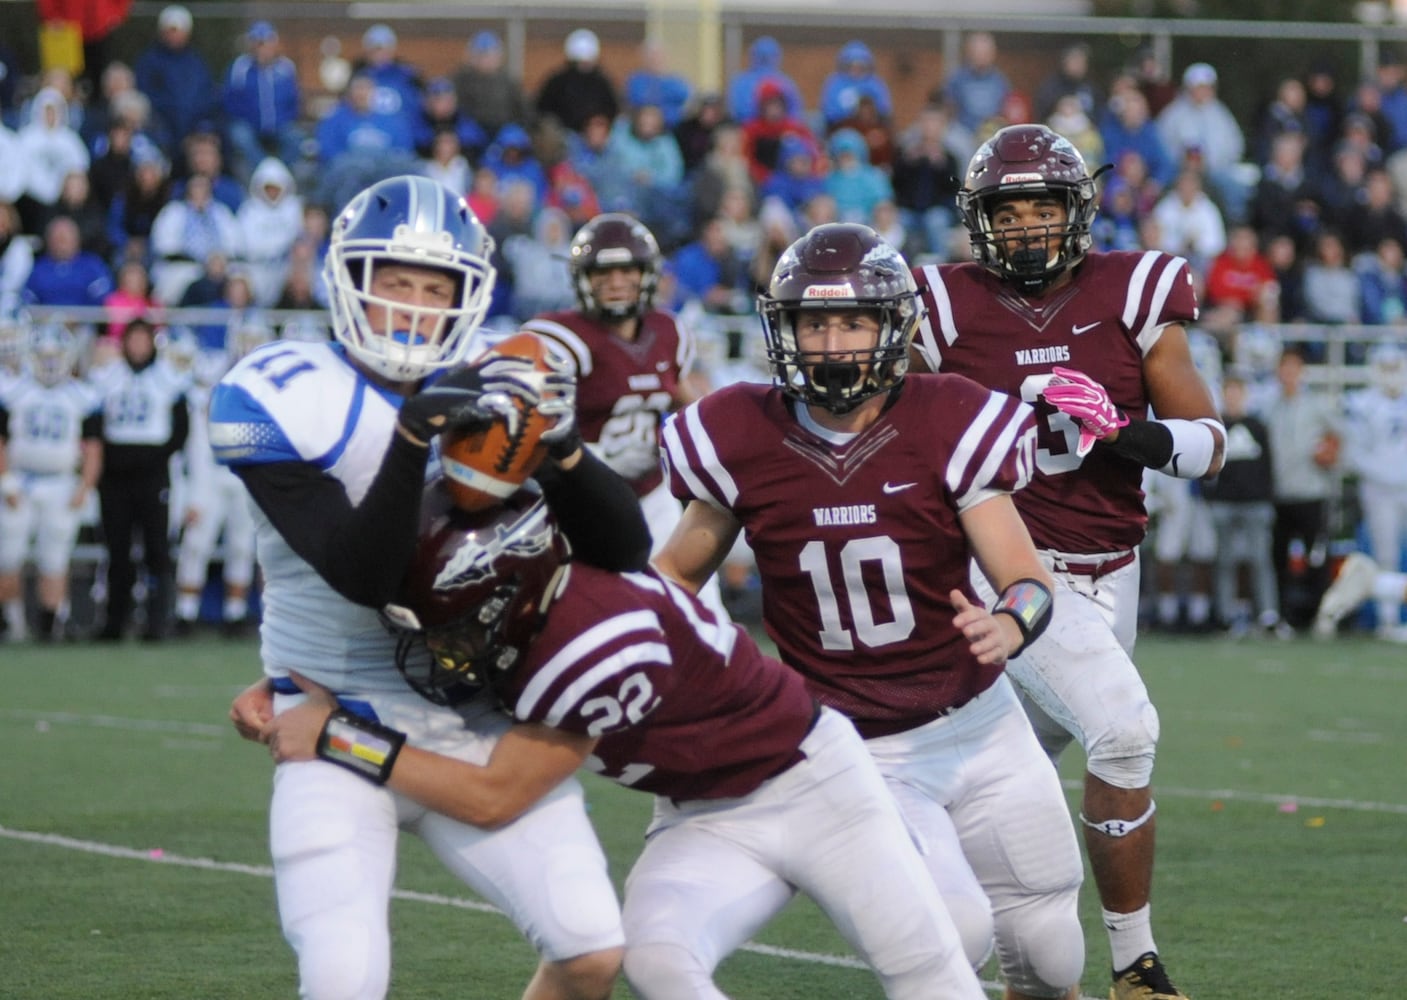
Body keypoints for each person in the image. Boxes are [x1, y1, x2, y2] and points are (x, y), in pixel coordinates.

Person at [245, 483, 987, 1000]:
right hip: (701, 815)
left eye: (456, 621)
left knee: (932, 972)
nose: (444, 644)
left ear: (506, 593)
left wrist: (341, 738)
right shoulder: (532, 603)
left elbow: (492, 795)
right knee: (659, 964)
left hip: (817, 787)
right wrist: (286, 693)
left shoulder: (590, 642)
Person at [207, 174, 645, 1000]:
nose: (412, 305)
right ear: (351, 283)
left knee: (590, 948)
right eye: (395, 282)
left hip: (475, 713)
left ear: (468, 294)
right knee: (344, 977)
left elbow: (624, 548)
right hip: (330, 714)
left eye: (433, 287)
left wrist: (560, 449)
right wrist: (415, 436)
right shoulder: (281, 393)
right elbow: (362, 571)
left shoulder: (503, 382)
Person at [655, 223, 1085, 1000]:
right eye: (812, 323)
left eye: (850, 321)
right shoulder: (740, 432)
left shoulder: (947, 416)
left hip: (980, 726)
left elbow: (1024, 576)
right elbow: (671, 577)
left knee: (1052, 954)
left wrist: (1009, 622)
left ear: (893, 327)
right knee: (955, 933)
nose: (829, 342)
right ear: (782, 330)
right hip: (859, 750)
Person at [908, 123, 1226, 999]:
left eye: (1042, 207)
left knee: (1003, 775)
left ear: (1077, 211)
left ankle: (996, 959)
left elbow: (1210, 446)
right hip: (1011, 565)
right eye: (1007, 213)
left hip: (1111, 567)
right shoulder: (940, 306)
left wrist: (1125, 432)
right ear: (980, 222)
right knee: (1121, 730)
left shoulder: (1134, 289)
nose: (1025, 228)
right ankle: (1137, 966)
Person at [515, 213, 726, 617]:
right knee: (579, 613)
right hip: (580, 499)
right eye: (603, 273)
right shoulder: (560, 338)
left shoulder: (669, 331)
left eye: (627, 271)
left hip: (650, 493)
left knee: (701, 608)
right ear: (583, 278)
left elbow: (688, 402)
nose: (615, 283)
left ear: (647, 274)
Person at [0, 320, 102, 641]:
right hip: (21, 480)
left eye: (56, 355)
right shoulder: (14, 391)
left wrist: (85, 484)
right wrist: (5, 480)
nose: (49, 362)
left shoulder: (81, 396)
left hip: (60, 482)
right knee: (8, 554)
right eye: (43, 355)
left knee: (54, 557)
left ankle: (49, 623)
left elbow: (93, 447)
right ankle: (11, 622)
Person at [91, 317, 190, 641]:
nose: (137, 346)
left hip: (151, 474)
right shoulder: (107, 377)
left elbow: (180, 429)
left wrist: (155, 457)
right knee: (117, 550)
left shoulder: (169, 379)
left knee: (156, 550)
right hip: (116, 476)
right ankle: (114, 622)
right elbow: (93, 422)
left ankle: (157, 623)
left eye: (142, 340)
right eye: (132, 340)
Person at [1331, 342, 1407, 639]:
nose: (1390, 374)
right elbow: (1353, 452)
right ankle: (1387, 620)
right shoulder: (1360, 403)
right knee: (1385, 553)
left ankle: (1372, 588)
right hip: (1378, 487)